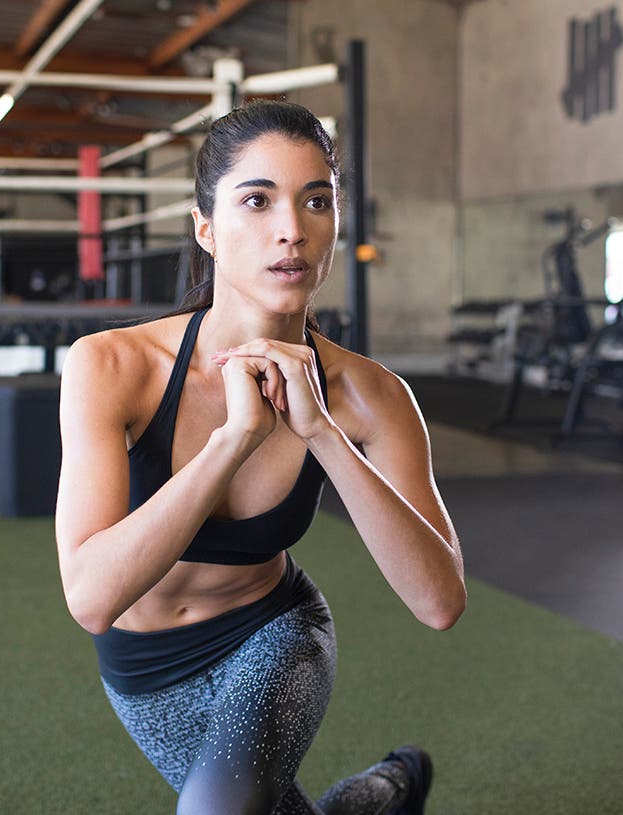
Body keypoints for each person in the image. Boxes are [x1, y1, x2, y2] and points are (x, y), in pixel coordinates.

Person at [54, 99, 466, 815]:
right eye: (257, 199)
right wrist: (233, 440)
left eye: (316, 201)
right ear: (206, 229)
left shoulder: (371, 395)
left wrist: (324, 435)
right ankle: (385, 791)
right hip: (144, 669)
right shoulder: (113, 365)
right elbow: (91, 598)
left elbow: (439, 602)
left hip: (273, 634)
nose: (292, 230)